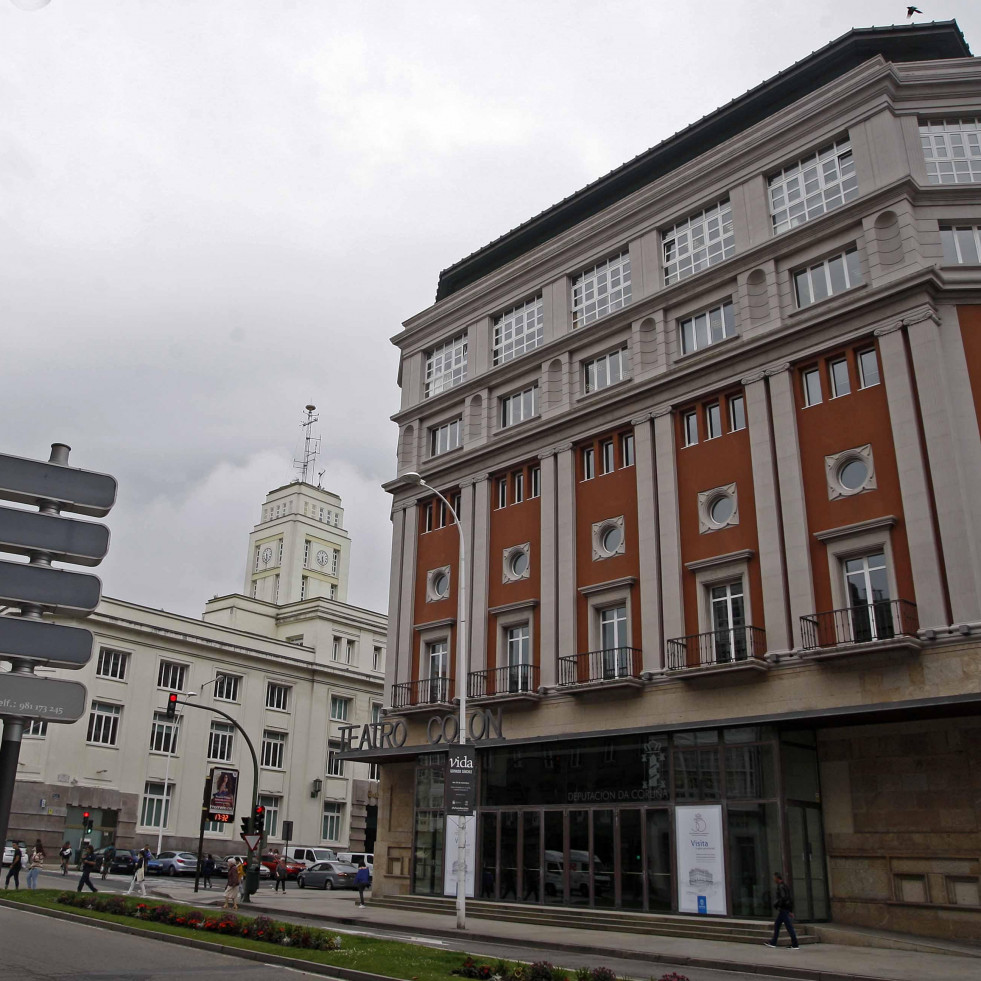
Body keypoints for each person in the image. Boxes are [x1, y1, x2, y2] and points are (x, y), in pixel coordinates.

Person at [764, 872, 800, 949]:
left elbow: (784, 898)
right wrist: (790, 910)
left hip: (784, 909)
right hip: (784, 909)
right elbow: (789, 898)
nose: (773, 879)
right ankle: (773, 942)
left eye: (774, 878)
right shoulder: (784, 886)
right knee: (777, 925)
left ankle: (795, 944)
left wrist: (777, 904)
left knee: (789, 926)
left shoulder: (781, 887)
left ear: (777, 878)